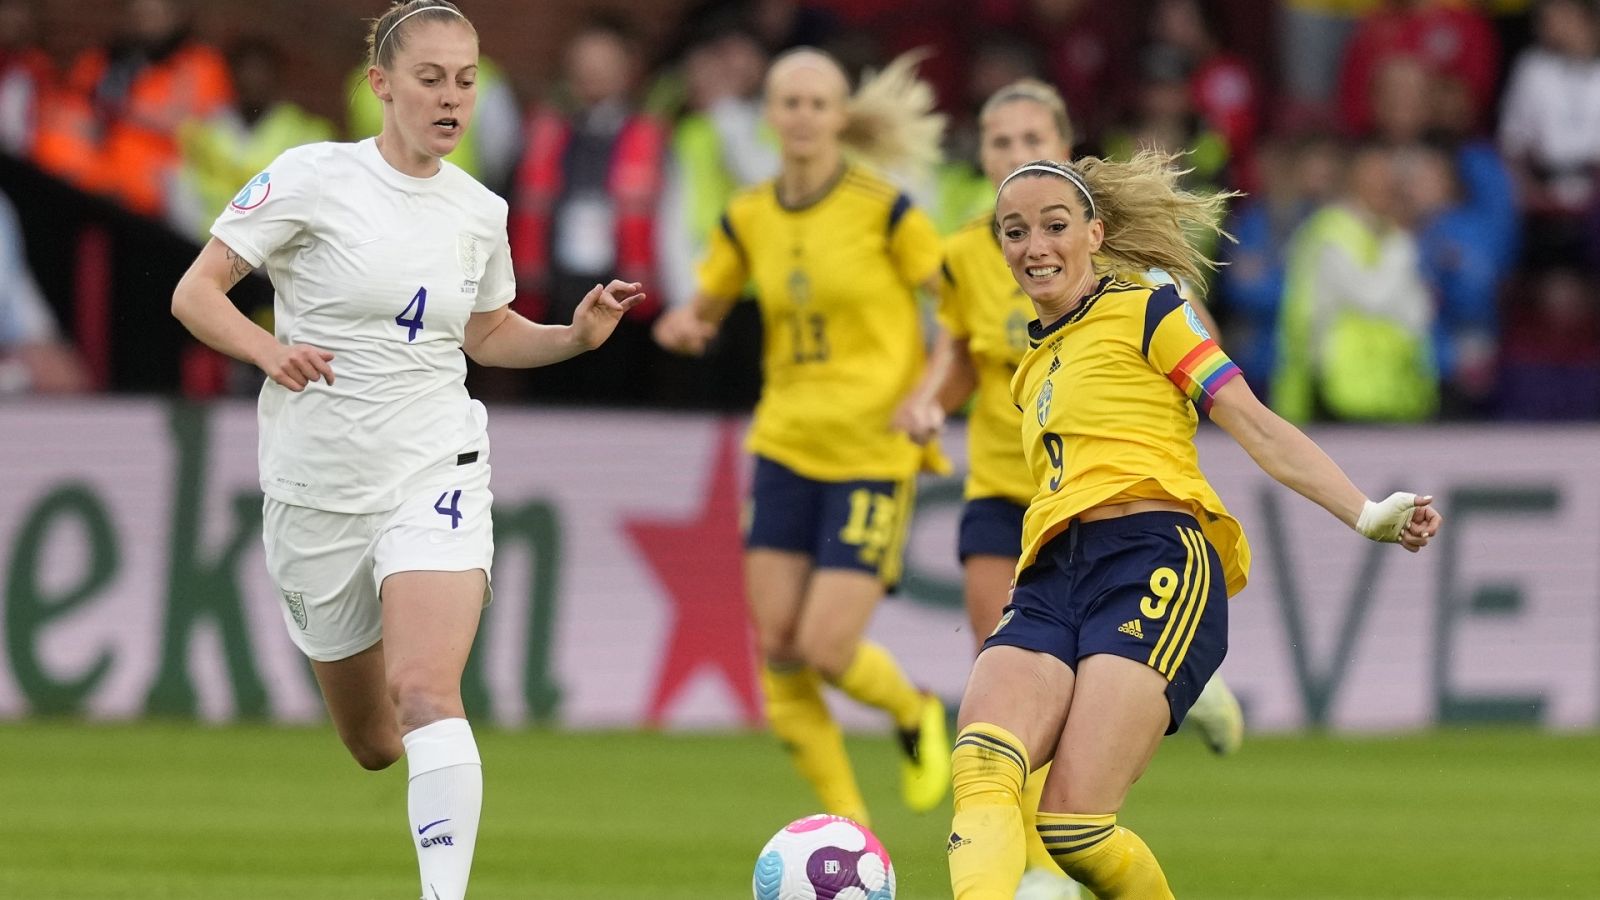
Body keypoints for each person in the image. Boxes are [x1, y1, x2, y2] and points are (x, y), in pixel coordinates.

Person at [167, 4, 644, 899]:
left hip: (435, 469)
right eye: (431, 79)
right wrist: (269, 350)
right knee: (375, 743)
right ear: (382, 85)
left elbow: (487, 331)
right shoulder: (311, 176)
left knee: (426, 690)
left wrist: (573, 337)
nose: (451, 98)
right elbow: (196, 293)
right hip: (316, 488)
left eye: (466, 80)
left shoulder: (480, 210)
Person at [943, 153, 1443, 899]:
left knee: (1074, 828)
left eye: (1054, 226)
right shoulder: (1031, 369)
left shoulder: (1150, 311)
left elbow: (1254, 422)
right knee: (982, 765)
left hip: (1152, 559)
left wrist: (1365, 512)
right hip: (1050, 575)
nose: (1035, 246)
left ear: (1094, 234)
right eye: (1015, 232)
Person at [896, 79, 1242, 900]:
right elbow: (957, 355)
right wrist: (926, 402)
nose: (1015, 153)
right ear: (982, 157)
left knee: (1069, 725)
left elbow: (1203, 361)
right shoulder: (966, 254)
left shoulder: (1109, 260)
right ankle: (1033, 873)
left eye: (1031, 139)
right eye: (999, 141)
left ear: (1062, 146)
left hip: (1116, 509)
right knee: (1001, 706)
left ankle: (1058, 857)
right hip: (1007, 493)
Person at [653, 46, 950, 827]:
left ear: (841, 117)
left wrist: (928, 395)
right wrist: (682, 326)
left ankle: (915, 710)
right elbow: (706, 306)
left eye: (819, 103)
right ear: (769, 116)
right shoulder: (749, 214)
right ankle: (851, 827)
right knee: (779, 647)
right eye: (790, 102)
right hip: (785, 445)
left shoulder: (886, 208)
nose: (804, 116)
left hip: (873, 450)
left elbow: (957, 309)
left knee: (825, 647)